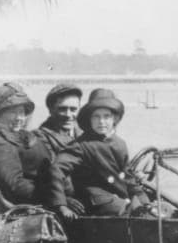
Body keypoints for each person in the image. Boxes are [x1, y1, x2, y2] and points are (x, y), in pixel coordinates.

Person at [46, 88, 150, 219]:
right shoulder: (81, 145)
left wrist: (144, 200)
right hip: (95, 203)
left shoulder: (120, 144)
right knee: (133, 216)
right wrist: (61, 204)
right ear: (89, 119)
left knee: (153, 212)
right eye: (96, 116)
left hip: (118, 199)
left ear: (114, 119)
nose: (101, 122)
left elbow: (128, 178)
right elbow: (56, 169)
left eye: (106, 116)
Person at [0, 82, 51, 206]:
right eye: (13, 112)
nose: (19, 118)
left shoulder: (27, 137)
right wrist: (56, 197)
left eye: (22, 112)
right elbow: (16, 186)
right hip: (30, 205)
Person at [36, 83, 83, 156]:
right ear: (51, 110)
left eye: (73, 109)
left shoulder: (84, 132)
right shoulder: (40, 137)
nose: (68, 115)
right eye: (62, 109)